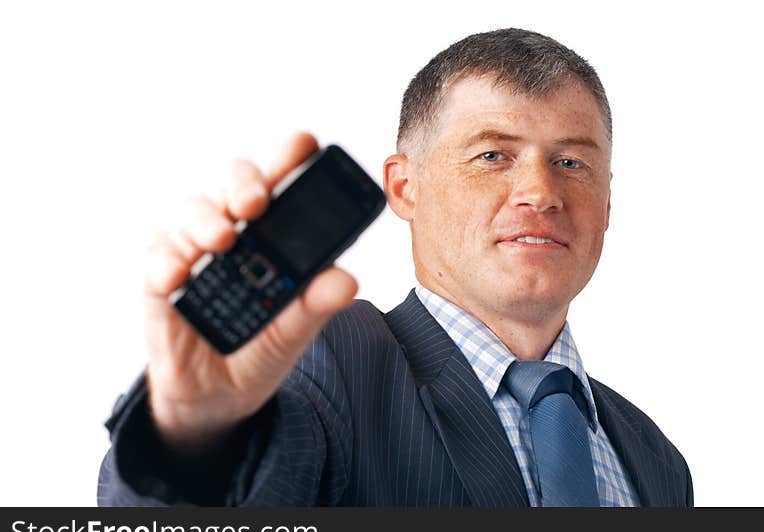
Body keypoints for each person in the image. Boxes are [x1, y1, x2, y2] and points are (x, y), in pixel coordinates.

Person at [98, 28, 692, 507]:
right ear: (405, 188)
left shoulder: (657, 461)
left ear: (607, 206)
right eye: (492, 156)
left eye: (570, 161)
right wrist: (191, 438)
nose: (540, 191)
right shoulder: (330, 361)